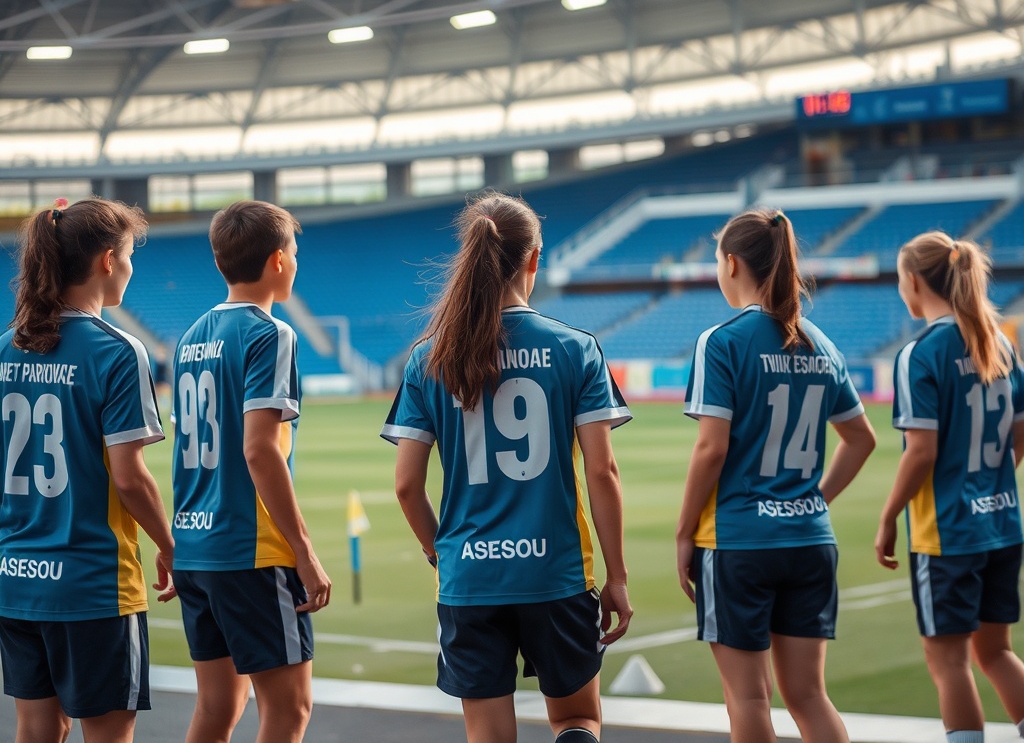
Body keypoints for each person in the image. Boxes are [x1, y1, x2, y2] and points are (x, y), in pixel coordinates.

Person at [381, 192, 633, 743]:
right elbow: (602, 473)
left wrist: (441, 554)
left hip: (470, 577)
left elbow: (405, 487)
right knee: (577, 720)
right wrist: (616, 576)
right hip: (558, 575)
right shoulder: (577, 349)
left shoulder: (429, 358)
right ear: (533, 259)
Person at [677, 208, 876, 743]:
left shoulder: (721, 341)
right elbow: (862, 440)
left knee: (748, 697)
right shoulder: (820, 343)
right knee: (810, 697)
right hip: (811, 539)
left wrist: (683, 531)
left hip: (741, 541)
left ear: (732, 263)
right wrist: (813, 500)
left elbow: (710, 449)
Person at [0, 198, 174, 743]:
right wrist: (171, 546)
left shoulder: (5, 348)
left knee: (37, 728)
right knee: (106, 734)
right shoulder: (119, 352)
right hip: (91, 583)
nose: (129, 268)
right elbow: (130, 477)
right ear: (106, 261)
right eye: (127, 257)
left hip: (14, 579)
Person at [170, 200, 331, 743]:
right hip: (250, 550)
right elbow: (259, 451)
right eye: (296, 252)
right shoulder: (271, 334)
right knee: (288, 712)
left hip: (195, 547)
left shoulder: (191, 336)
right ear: (278, 261)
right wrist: (304, 551)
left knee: (218, 709)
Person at [876, 232, 1024, 743]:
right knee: (997, 652)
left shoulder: (920, 353)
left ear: (913, 283)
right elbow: (1019, 435)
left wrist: (888, 515)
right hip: (1003, 523)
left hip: (948, 534)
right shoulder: (999, 340)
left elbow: (922, 451)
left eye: (900, 279)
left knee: (949, 663)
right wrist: (990, 484)